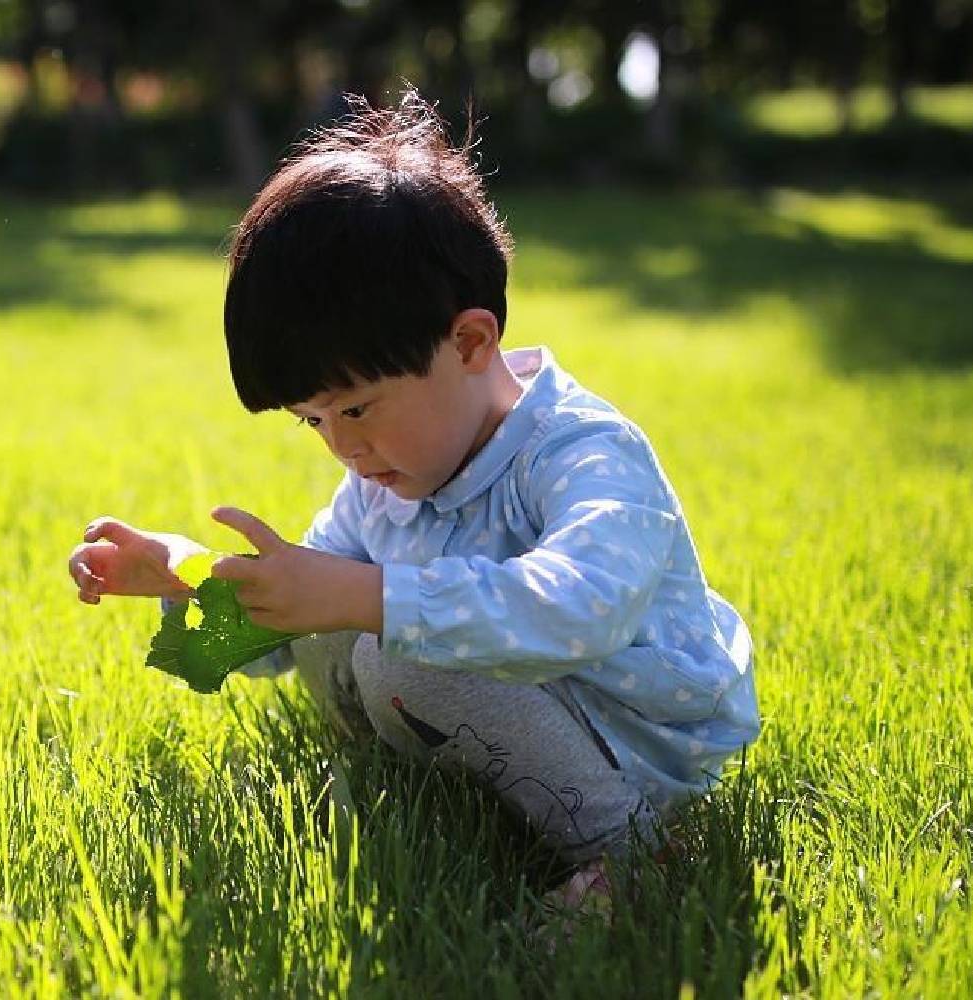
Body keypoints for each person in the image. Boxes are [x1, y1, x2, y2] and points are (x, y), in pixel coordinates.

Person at [67, 90, 758, 918]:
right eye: (312, 421)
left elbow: (584, 608)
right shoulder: (384, 476)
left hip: (639, 737)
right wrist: (183, 573)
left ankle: (635, 850)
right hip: (507, 705)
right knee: (339, 623)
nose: (343, 448)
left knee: (390, 644)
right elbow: (297, 612)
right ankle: (419, 765)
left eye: (355, 409)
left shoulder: (584, 453)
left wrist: (364, 598)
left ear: (469, 342)